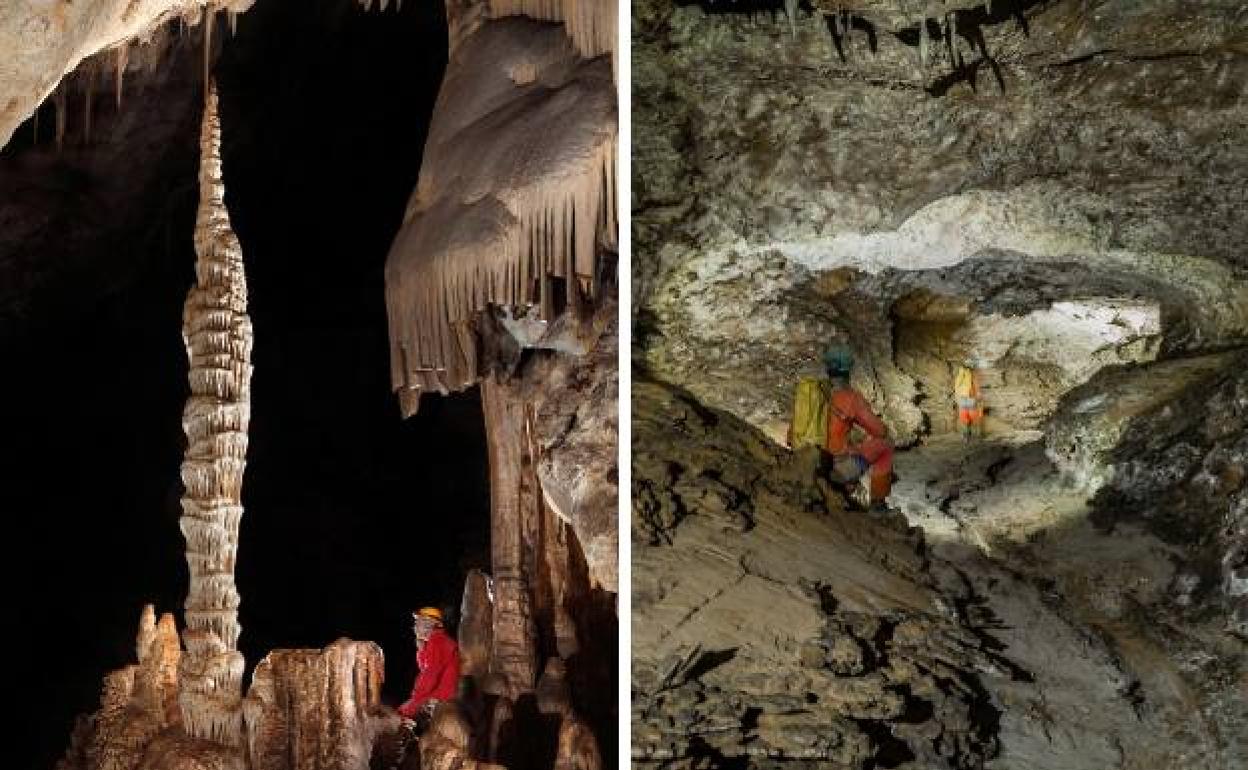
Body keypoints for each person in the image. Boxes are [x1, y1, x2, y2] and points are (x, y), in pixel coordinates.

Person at [819, 345, 894, 512]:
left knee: (851, 447)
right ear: (848, 370)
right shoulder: (851, 397)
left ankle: (847, 486)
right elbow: (879, 431)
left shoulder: (815, 393)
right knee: (885, 445)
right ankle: (878, 504)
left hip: (813, 461)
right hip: (836, 466)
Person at [398, 607, 461, 729]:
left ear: (429, 624)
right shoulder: (435, 641)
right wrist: (421, 651)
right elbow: (425, 667)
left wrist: (416, 698)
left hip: (441, 694)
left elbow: (431, 674)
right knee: (401, 712)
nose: (414, 627)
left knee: (399, 716)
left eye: (418, 623)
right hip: (437, 692)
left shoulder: (439, 641)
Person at [954, 358, 984, 441]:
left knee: (967, 416)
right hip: (967, 397)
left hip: (965, 397)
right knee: (971, 416)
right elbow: (974, 384)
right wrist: (978, 394)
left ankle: (968, 435)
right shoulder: (967, 373)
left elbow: (957, 386)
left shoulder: (962, 373)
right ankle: (973, 435)